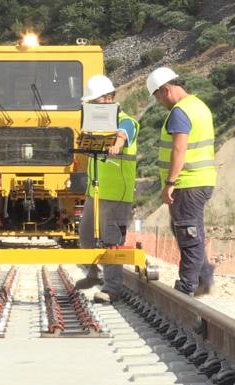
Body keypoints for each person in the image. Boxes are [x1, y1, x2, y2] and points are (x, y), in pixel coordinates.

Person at [146, 67, 216, 296]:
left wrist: (170, 183)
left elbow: (179, 149)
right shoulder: (199, 106)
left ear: (166, 89)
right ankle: (204, 277)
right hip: (202, 180)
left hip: (187, 182)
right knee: (189, 230)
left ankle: (187, 287)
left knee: (187, 233)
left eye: (157, 97)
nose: (159, 102)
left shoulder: (180, 111)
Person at [74, 75, 140, 304]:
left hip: (116, 194)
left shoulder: (125, 120)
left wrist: (118, 143)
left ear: (109, 98)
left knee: (112, 241)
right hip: (97, 192)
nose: (91, 105)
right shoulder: (95, 125)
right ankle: (93, 274)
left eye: (94, 100)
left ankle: (112, 288)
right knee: (85, 233)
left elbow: (125, 132)